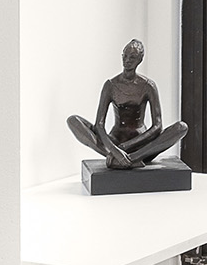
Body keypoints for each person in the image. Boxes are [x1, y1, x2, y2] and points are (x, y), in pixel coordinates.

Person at [67, 38, 187, 168]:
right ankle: (118, 157)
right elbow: (99, 125)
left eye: (133, 57)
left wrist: (126, 146)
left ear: (140, 60)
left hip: (142, 146)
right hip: (115, 141)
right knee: (73, 121)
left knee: (181, 127)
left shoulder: (148, 86)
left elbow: (157, 127)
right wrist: (114, 149)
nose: (127, 59)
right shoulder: (111, 85)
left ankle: (130, 159)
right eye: (125, 55)